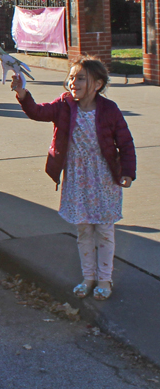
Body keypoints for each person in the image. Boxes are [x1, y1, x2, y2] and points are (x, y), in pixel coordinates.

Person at [11, 55, 136, 301]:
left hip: (104, 179)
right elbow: (39, 112)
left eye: (80, 78)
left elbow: (125, 142)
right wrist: (23, 94)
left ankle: (104, 279)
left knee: (104, 231)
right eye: (71, 78)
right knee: (84, 230)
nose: (73, 83)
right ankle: (88, 277)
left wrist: (128, 172)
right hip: (78, 178)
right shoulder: (65, 105)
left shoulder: (109, 110)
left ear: (98, 84)